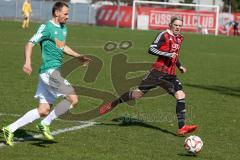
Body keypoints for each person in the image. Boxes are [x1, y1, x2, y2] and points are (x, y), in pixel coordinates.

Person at [2, 1, 91, 146]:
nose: (68, 17)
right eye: (65, 14)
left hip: (52, 72)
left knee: (43, 110)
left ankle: (9, 129)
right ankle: (45, 124)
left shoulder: (63, 28)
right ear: (57, 13)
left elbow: (62, 46)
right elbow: (30, 43)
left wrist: (78, 56)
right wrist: (28, 62)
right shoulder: (46, 27)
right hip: (49, 72)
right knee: (73, 99)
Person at [99, 16, 197, 136]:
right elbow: (151, 49)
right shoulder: (163, 35)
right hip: (157, 73)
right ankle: (114, 103)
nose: (178, 27)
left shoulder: (180, 38)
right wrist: (167, 54)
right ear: (170, 24)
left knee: (180, 95)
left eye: (180, 26)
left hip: (171, 74)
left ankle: (182, 127)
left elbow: (174, 55)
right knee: (137, 94)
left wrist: (180, 66)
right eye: (176, 25)